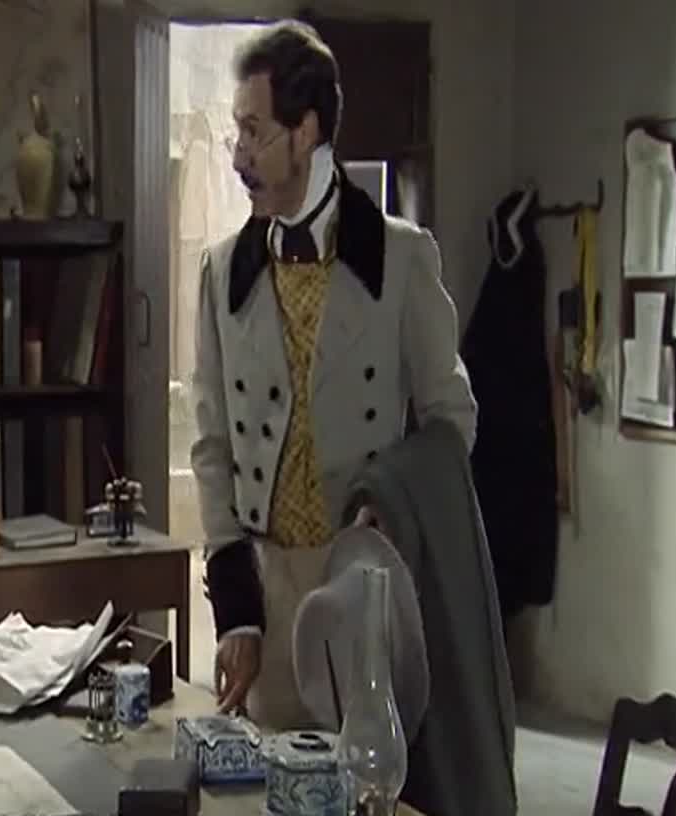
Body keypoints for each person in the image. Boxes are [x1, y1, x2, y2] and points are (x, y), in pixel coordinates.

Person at [190, 21, 477, 729]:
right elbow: (212, 448)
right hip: (266, 592)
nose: (239, 157)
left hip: (366, 578)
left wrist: (395, 507)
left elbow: (452, 420)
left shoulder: (401, 260)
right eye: (236, 133)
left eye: (254, 132)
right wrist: (236, 612)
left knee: (371, 783)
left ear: (307, 131)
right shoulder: (223, 272)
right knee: (264, 786)